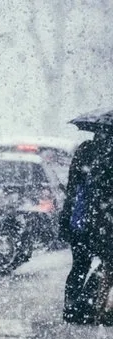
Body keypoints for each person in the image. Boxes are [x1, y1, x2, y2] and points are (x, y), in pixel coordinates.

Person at [59, 129, 113, 324]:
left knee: (80, 265)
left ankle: (72, 308)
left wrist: (66, 220)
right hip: (101, 220)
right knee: (109, 263)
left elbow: (73, 185)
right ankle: (89, 306)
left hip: (79, 218)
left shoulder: (85, 149)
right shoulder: (107, 154)